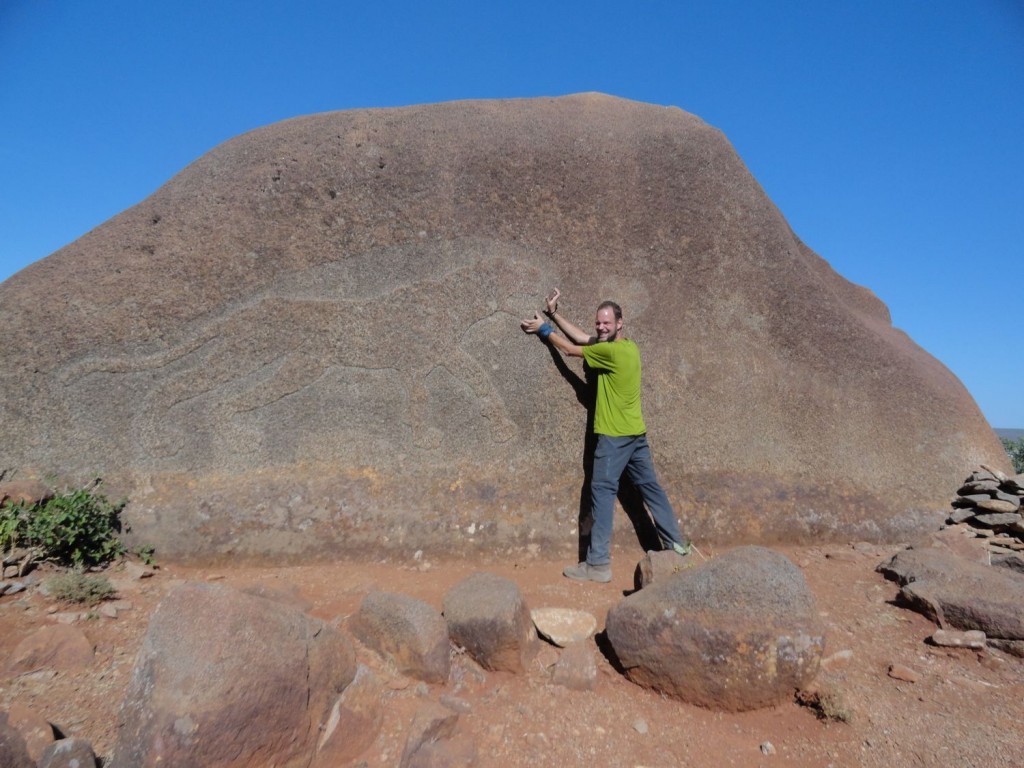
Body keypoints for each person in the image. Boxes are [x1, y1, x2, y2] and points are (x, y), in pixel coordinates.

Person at [521, 289, 691, 583]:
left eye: (606, 323)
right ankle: (678, 547)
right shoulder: (629, 348)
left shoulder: (609, 352)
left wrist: (543, 330)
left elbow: (570, 350)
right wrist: (554, 314)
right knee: (651, 489)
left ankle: (597, 565)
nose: (600, 327)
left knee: (601, 494)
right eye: (598, 323)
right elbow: (583, 339)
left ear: (620, 324)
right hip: (637, 435)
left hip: (613, 438)